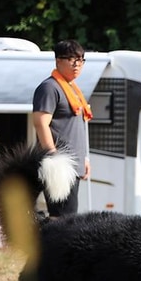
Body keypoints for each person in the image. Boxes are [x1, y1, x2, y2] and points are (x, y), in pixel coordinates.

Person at [32, 39, 92, 216]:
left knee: (69, 216)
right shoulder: (49, 87)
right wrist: (52, 154)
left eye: (81, 60)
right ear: (58, 60)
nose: (77, 64)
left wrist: (84, 158)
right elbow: (40, 123)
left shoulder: (72, 89)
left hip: (73, 165)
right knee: (63, 218)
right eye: (72, 59)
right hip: (59, 165)